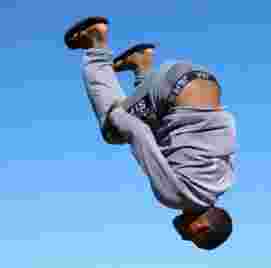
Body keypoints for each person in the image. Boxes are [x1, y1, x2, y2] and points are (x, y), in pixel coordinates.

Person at [64, 16, 237, 251]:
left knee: (159, 131)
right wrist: (116, 116)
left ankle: (142, 62)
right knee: (113, 130)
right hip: (172, 88)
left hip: (200, 79)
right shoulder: (177, 197)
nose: (182, 236)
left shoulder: (222, 181)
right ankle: (95, 42)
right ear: (200, 228)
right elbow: (139, 133)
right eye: (189, 238)